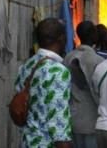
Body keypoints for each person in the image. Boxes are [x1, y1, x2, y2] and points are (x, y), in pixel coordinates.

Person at [14, 18, 72, 148]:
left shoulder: (26, 66)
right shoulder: (59, 71)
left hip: (27, 142)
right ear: (61, 38)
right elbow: (58, 122)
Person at [63, 21, 104, 148]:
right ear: (93, 35)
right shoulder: (98, 61)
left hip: (73, 119)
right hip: (92, 121)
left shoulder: (68, 57)